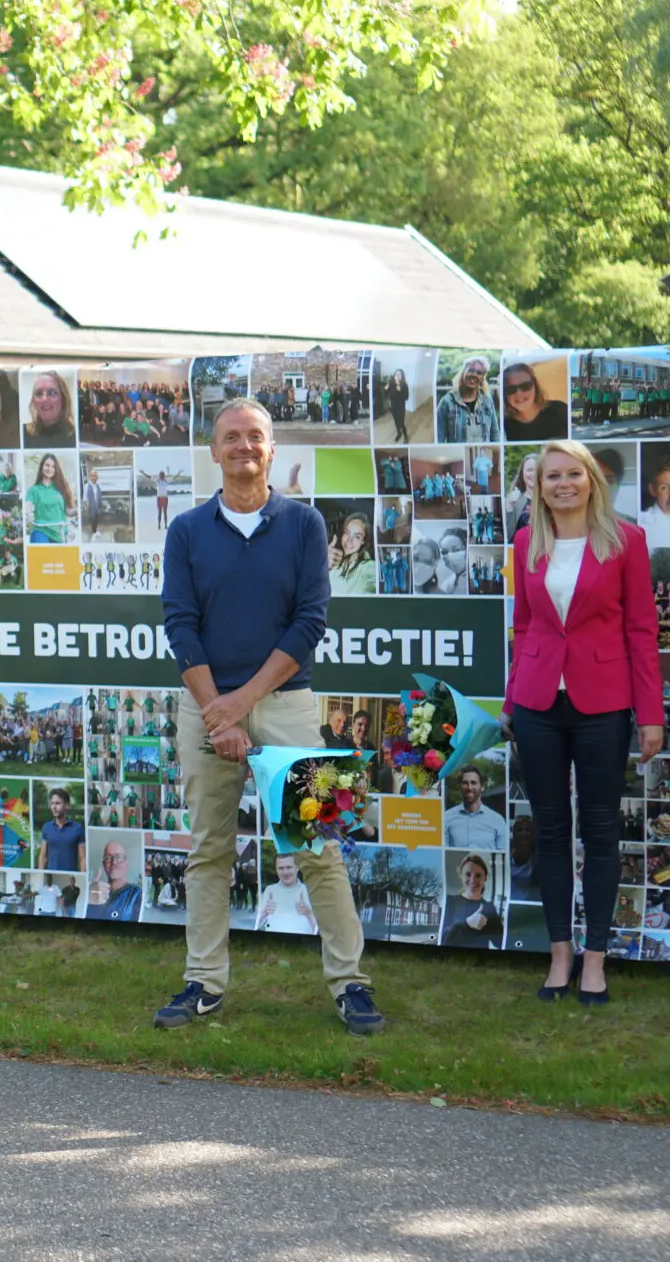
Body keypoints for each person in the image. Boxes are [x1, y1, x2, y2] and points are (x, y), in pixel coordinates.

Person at [154, 397, 384, 1035]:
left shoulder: (305, 525)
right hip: (205, 706)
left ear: (273, 449)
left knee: (317, 848)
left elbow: (310, 622)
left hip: (283, 706)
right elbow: (182, 624)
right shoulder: (188, 531)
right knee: (209, 851)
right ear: (213, 450)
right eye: (231, 437)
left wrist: (238, 707)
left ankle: (350, 985)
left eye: (255, 436)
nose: (243, 447)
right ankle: (204, 983)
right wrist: (217, 715)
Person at [505, 440, 664, 1005]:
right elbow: (523, 628)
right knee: (549, 832)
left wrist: (650, 715)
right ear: (538, 486)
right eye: (552, 476)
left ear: (591, 480)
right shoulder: (527, 541)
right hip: (538, 706)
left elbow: (643, 632)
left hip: (603, 704)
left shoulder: (626, 541)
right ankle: (559, 954)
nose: (563, 484)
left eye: (573, 473)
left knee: (599, 831)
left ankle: (595, 958)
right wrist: (510, 701)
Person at [439, 855, 503, 949]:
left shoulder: (489, 907)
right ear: (461, 876)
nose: (473, 880)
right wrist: (467, 923)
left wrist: (498, 926)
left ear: (485, 878)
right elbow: (442, 939)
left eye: (478, 875)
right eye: (468, 874)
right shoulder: (449, 902)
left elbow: (500, 943)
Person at [442, 765, 509, 849]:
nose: (469, 787)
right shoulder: (446, 818)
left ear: (482, 787)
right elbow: (443, 855)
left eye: (473, 783)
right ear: (459, 786)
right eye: (465, 783)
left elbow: (503, 855)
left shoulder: (497, 820)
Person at [500, 362, 568, 441]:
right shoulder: (502, 426)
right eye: (511, 389)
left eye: (525, 386)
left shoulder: (560, 410)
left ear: (535, 386)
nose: (519, 393)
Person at [436, 356, 497, 444]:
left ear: (482, 378)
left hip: (483, 456)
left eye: (479, 373)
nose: (474, 375)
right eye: (471, 370)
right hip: (458, 456)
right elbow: (439, 437)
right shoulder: (447, 401)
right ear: (463, 372)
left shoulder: (487, 400)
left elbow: (495, 434)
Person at [256, 857, 316, 934]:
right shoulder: (270, 890)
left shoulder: (309, 890)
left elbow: (320, 930)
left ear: (297, 867)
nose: (285, 872)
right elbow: (256, 926)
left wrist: (308, 913)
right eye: (281, 868)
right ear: (276, 870)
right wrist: (264, 913)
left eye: (289, 867)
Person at [84, 841, 143, 920]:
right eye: (108, 858)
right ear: (104, 864)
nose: (114, 862)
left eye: (118, 857)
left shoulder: (138, 894)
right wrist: (87, 899)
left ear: (126, 862)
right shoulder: (92, 892)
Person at [25, 454, 73, 544]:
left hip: (60, 531)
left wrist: (76, 511)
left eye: (53, 466)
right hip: (41, 530)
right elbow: (28, 507)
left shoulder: (61, 487)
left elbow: (68, 511)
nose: (49, 469)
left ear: (56, 469)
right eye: (47, 465)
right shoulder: (33, 490)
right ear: (42, 466)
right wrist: (28, 513)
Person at [23, 371, 77, 448]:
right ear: (34, 402)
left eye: (52, 392)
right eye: (39, 393)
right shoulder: (22, 434)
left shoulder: (76, 437)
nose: (44, 399)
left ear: (63, 399)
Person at [38, 787, 85, 872]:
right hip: (52, 876)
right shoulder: (46, 827)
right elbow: (43, 856)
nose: (54, 807)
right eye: (52, 804)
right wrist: (40, 874)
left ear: (66, 805)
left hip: (71, 876)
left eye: (57, 803)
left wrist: (83, 876)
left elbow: (82, 858)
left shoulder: (78, 828)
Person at [328, 512, 376, 595]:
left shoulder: (369, 567)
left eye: (357, 537)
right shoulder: (335, 560)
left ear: (363, 541)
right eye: (347, 533)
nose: (349, 541)